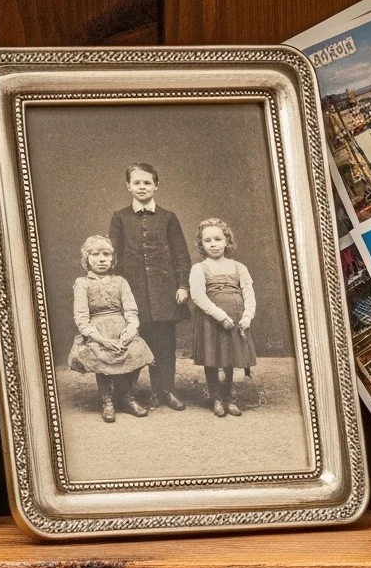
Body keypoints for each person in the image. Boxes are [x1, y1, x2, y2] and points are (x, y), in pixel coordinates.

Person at [108, 162, 191, 412]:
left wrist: (183, 285)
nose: (142, 187)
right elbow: (113, 255)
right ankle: (128, 395)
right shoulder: (120, 217)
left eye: (147, 182)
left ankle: (164, 390)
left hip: (164, 292)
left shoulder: (168, 218)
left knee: (165, 345)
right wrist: (116, 292)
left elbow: (181, 255)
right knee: (132, 342)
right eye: (136, 183)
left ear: (156, 185)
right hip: (132, 293)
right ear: (128, 186)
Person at [65, 235, 152, 422]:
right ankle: (107, 401)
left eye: (106, 254)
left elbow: (130, 310)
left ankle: (128, 396)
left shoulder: (120, 281)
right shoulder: (83, 283)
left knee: (137, 350)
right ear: (86, 259)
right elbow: (81, 318)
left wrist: (130, 329)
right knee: (101, 355)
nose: (102, 258)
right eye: (95, 254)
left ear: (113, 259)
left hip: (121, 329)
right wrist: (101, 340)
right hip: (98, 333)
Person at [189, 217, 258, 418]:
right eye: (207, 240)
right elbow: (198, 296)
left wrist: (247, 316)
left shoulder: (239, 267)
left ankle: (228, 397)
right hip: (212, 320)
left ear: (226, 241)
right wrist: (219, 315)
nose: (213, 244)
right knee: (213, 358)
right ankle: (216, 398)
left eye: (218, 239)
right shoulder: (199, 268)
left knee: (229, 358)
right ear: (201, 244)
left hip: (236, 319)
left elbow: (248, 293)